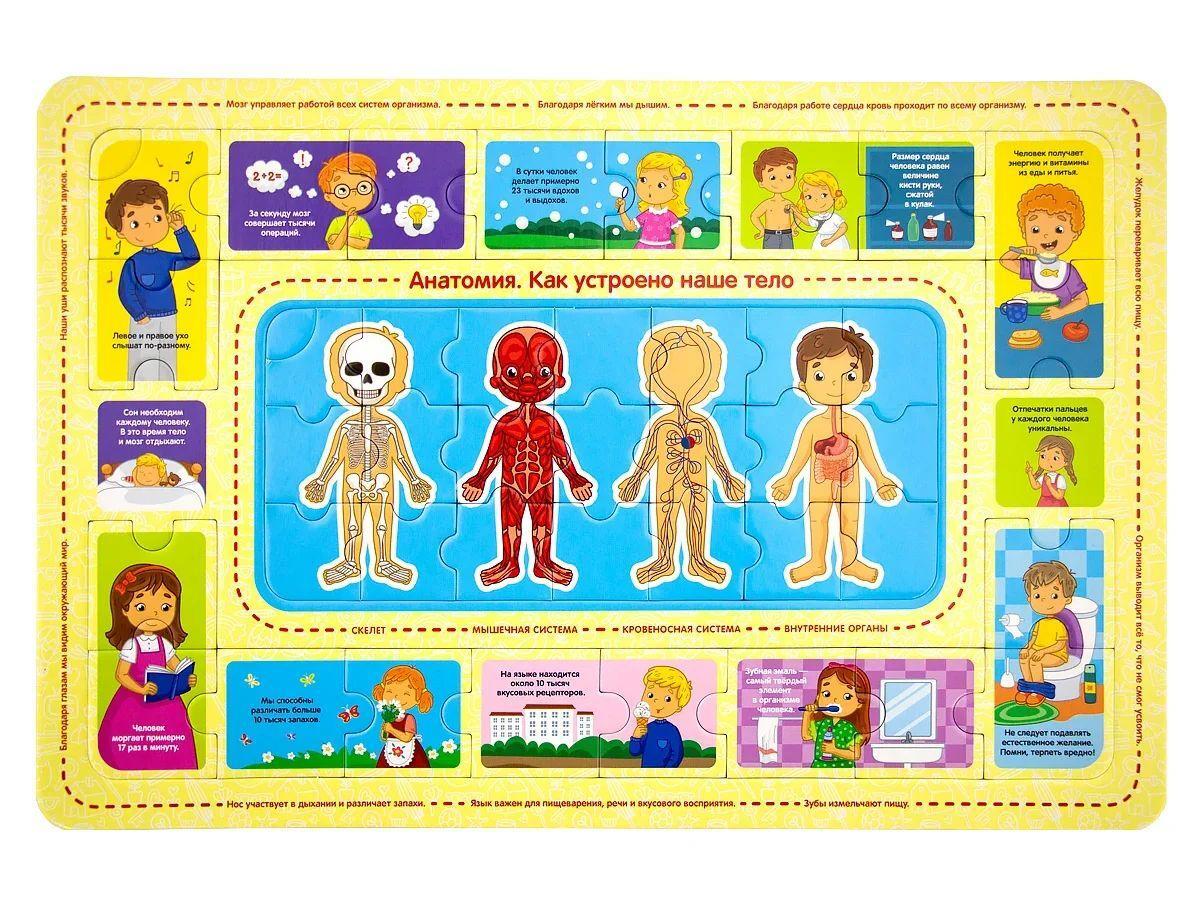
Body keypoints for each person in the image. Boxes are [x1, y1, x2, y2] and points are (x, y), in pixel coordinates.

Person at [769, 325, 901, 586]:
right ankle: (816, 561)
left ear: (864, 384)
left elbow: (868, 455)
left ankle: (850, 562)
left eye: (849, 376)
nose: (834, 384)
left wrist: (880, 479)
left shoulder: (856, 424)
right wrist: (788, 479)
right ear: (803, 385)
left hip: (850, 484)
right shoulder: (812, 425)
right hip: (818, 483)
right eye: (820, 375)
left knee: (850, 519)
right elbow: (800, 455)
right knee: (817, 517)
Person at [96, 564, 198, 770]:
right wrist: (141, 689)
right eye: (141, 607)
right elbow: (121, 674)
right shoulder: (132, 645)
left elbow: (176, 667)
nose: (155, 613)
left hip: (166, 703)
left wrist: (186, 678)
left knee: (173, 742)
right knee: (130, 746)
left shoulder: (164, 644)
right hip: (133, 704)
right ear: (125, 610)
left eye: (165, 607)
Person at [105, 179, 200, 382]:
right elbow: (125, 292)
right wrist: (139, 315)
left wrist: (180, 230)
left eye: (157, 217)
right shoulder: (133, 262)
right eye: (135, 223)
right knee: (140, 361)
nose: (148, 225)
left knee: (168, 361)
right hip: (143, 319)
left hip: (169, 316)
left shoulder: (165, 258)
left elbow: (192, 258)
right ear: (121, 232)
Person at [998, 183, 1089, 320]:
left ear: (1074, 233)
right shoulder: (1033, 267)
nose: (1046, 235)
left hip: (1064, 320)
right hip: (1037, 320)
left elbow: (1083, 300)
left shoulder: (1069, 271)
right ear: (1025, 233)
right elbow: (1005, 261)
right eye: (1035, 230)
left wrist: (1061, 312)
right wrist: (1021, 250)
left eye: (1059, 229)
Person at [1016, 561, 1077, 706]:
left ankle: (1039, 692)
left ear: (1067, 599)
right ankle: (1027, 689)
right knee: (1024, 658)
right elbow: (1033, 640)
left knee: (1035, 661)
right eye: (1037, 596)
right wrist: (1026, 648)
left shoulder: (1059, 625)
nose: (1044, 600)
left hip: (1057, 655)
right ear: (1029, 598)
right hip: (1039, 652)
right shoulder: (1040, 623)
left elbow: (1059, 645)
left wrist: (1042, 651)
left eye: (1054, 596)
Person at [614, 151, 692, 250]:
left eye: (660, 185)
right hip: (642, 250)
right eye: (643, 180)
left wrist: (677, 253)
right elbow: (630, 227)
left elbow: (680, 232)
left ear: (675, 192)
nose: (650, 187)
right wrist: (622, 209)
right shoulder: (646, 214)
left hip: (664, 250)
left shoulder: (669, 216)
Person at [801, 662, 872, 769]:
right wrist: (807, 714)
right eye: (826, 694)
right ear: (818, 696)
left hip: (844, 770)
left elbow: (856, 755)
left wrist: (834, 750)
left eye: (847, 696)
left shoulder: (849, 728)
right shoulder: (823, 723)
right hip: (818, 768)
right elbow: (806, 736)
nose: (834, 700)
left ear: (859, 703)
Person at [629, 665, 692, 768]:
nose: (656, 701)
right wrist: (636, 737)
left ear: (678, 708)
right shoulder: (647, 728)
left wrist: (666, 772)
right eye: (650, 695)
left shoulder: (672, 730)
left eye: (668, 699)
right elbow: (635, 752)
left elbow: (677, 755)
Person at [372, 665, 433, 768]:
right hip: (391, 748)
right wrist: (385, 729)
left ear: (418, 699)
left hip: (409, 751)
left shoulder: (409, 718)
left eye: (406, 694)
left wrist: (391, 729)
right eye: (390, 691)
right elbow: (384, 737)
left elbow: (407, 738)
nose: (396, 696)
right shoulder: (389, 715)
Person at [320, 151, 378, 250]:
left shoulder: (361, 222)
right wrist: (348, 223)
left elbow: (364, 245)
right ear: (328, 196)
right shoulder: (336, 222)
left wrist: (341, 238)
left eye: (363, 187)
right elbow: (334, 247)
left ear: (372, 190)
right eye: (342, 190)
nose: (354, 194)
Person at [748, 146, 800, 249]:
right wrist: (761, 229)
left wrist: (793, 228)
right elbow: (754, 216)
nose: (781, 180)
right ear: (761, 182)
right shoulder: (767, 203)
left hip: (787, 235)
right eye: (773, 177)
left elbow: (798, 216)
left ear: (794, 178)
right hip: (770, 235)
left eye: (788, 176)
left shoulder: (788, 203)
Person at [795, 170, 850, 250]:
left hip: (836, 243)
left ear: (835, 194)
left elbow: (843, 227)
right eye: (809, 197)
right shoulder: (816, 218)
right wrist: (795, 212)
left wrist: (830, 240)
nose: (816, 200)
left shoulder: (834, 217)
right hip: (820, 242)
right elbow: (807, 222)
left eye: (823, 195)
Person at [1025, 434, 1078, 507]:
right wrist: (1029, 473)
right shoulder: (1044, 476)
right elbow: (1035, 486)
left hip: (1057, 506)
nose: (1048, 460)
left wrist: (1049, 484)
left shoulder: (1060, 478)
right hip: (1043, 504)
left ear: (1066, 462)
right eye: (1043, 456)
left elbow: (1059, 496)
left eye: (1055, 458)